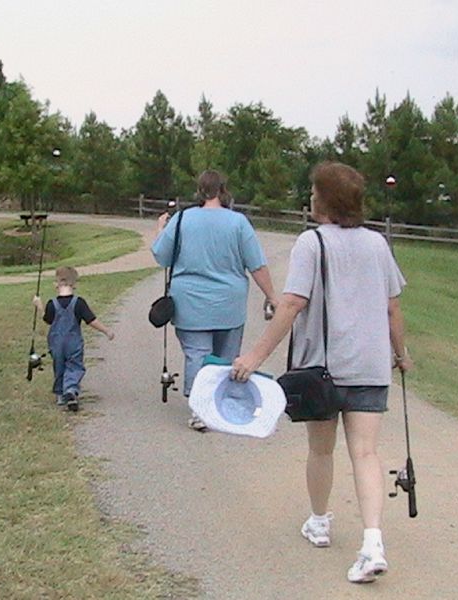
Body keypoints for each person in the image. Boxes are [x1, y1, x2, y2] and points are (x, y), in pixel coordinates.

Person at [231, 162, 413, 584]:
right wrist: (401, 354)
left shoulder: (311, 243)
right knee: (365, 453)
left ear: (325, 201)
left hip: (324, 370)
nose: (310, 198)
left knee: (321, 450)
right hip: (370, 367)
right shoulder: (378, 244)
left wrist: (255, 356)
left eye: (314, 192)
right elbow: (392, 308)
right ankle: (372, 543)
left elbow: (292, 304)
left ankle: (319, 521)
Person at [151, 170, 278, 431]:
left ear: (199, 190)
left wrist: (160, 230)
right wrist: (271, 295)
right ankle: (221, 406)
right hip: (229, 304)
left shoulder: (182, 219)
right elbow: (256, 265)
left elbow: (162, 257)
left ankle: (199, 410)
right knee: (225, 356)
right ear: (223, 190)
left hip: (189, 303)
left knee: (197, 354)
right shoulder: (238, 222)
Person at [33, 266, 114, 412]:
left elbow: (48, 320)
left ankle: (60, 395)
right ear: (74, 284)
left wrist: (39, 306)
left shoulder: (52, 303)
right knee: (74, 366)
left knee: (59, 366)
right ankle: (70, 389)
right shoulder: (79, 302)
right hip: (74, 342)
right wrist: (106, 331)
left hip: (56, 343)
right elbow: (91, 320)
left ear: (56, 284)